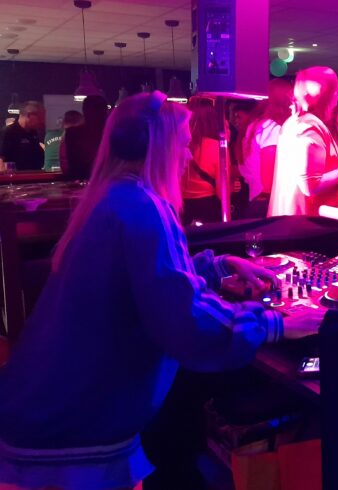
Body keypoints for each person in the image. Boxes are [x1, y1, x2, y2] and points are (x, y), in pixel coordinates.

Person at [0, 91, 318, 490]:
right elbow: (184, 321)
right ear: (155, 147)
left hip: (47, 402)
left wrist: (218, 266)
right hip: (74, 423)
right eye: (182, 145)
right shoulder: (142, 207)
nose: (186, 156)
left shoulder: (115, 196)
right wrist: (275, 323)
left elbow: (142, 278)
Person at [269, 66, 338, 217]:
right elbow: (310, 186)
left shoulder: (294, 123)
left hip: (295, 220)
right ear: (325, 93)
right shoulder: (309, 127)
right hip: (308, 222)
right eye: (335, 87)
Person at [239, 78, 294, 219]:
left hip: (255, 200)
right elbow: (269, 181)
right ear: (284, 101)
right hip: (267, 203)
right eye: (292, 99)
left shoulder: (255, 125)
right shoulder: (271, 129)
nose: (294, 103)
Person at [180, 99, 222, 225]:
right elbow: (222, 191)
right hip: (208, 205)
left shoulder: (179, 145)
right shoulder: (217, 147)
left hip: (182, 205)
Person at [61, 95, 109, 180]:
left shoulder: (72, 133)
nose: (94, 115)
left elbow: (70, 167)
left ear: (84, 111)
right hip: (107, 182)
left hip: (79, 183)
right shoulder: (113, 134)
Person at [1, 101, 45, 171]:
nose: (42, 121)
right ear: (29, 115)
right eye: (40, 118)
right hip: (17, 176)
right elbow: (1, 161)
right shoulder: (8, 132)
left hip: (35, 174)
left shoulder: (33, 132)